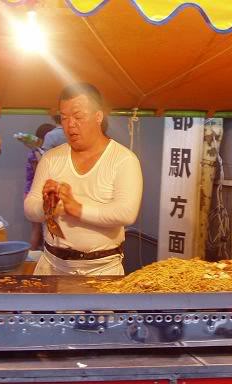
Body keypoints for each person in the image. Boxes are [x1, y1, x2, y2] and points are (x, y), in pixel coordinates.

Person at [24, 83, 143, 276]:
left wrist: (77, 209)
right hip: (52, 267)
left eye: (78, 117)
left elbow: (125, 213)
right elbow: (30, 206)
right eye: (63, 118)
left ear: (98, 116)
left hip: (102, 271)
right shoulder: (51, 158)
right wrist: (46, 207)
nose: (70, 125)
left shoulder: (123, 160)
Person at [24, 123, 55, 250]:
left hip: (29, 193)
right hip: (34, 194)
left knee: (38, 230)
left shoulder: (36, 152)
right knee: (37, 230)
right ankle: (31, 260)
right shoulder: (36, 154)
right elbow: (39, 175)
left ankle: (34, 258)